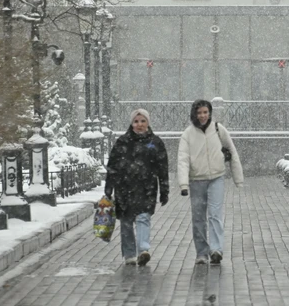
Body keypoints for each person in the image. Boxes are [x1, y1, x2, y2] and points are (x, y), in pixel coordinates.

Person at [177, 99, 244, 265]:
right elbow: (183, 159)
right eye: (199, 112)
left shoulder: (218, 129)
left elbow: (232, 152)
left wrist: (238, 179)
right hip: (196, 180)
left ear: (210, 113)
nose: (202, 116)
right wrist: (183, 184)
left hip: (216, 177)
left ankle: (216, 250)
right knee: (198, 217)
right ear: (194, 114)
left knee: (215, 215)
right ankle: (201, 252)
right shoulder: (188, 134)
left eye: (205, 112)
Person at [103, 109, 169, 266]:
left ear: (148, 123)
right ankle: (130, 255)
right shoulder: (122, 143)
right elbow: (112, 167)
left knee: (143, 218)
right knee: (126, 222)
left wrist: (164, 190)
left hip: (147, 189)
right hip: (124, 189)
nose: (139, 124)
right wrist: (108, 189)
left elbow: (162, 168)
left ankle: (143, 250)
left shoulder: (155, 143)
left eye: (143, 121)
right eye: (136, 121)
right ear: (132, 124)